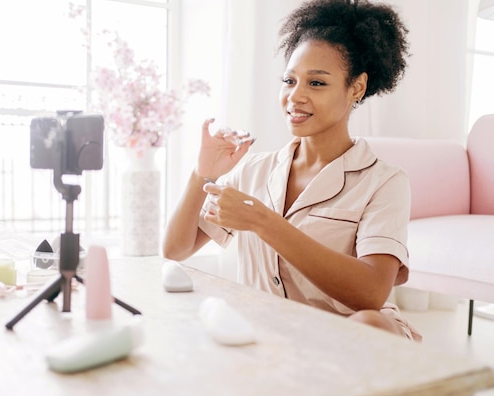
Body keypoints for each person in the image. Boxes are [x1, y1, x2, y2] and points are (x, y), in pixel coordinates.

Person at [162, 0, 421, 341]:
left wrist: (262, 221)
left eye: (316, 83)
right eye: (289, 80)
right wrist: (202, 173)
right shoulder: (254, 170)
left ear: (356, 87)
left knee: (368, 326)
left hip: (355, 342)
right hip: (273, 335)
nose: (294, 96)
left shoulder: (384, 181)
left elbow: (371, 294)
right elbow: (175, 250)